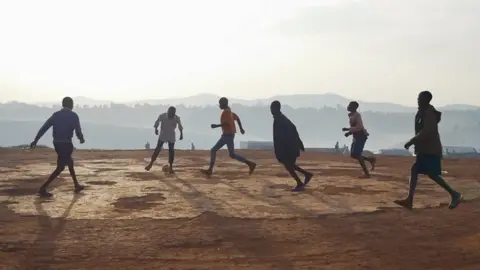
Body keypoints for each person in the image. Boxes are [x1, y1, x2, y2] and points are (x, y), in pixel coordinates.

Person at [394, 91, 462, 210]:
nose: (418, 100)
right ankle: (410, 199)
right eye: (418, 98)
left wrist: (412, 141)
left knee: (430, 173)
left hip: (430, 150)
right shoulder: (422, 112)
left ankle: (455, 194)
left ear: (426, 100)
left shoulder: (428, 113)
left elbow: (427, 131)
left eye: (420, 98)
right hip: (425, 149)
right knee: (419, 171)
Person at [30, 97, 85, 197]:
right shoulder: (73, 116)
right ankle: (43, 188)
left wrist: (36, 140)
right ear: (71, 105)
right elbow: (78, 130)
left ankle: (76, 185)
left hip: (57, 144)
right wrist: (81, 138)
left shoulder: (56, 115)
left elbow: (44, 128)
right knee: (61, 167)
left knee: (70, 162)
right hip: (67, 144)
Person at [200, 97, 256, 176]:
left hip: (227, 135)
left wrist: (216, 126)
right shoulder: (229, 111)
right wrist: (241, 128)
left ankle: (210, 170)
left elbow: (226, 123)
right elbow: (237, 118)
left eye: (220, 104)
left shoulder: (226, 112)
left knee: (213, 150)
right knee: (232, 154)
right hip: (229, 135)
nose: (219, 105)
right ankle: (250, 164)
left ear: (224, 103)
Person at [271, 101, 313, 191]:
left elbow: (284, 135)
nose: (271, 111)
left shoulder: (280, 119)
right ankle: (306, 175)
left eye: (272, 108)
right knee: (289, 165)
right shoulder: (280, 118)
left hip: (289, 148)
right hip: (289, 147)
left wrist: (295, 144)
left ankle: (301, 181)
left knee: (288, 165)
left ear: (276, 109)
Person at [342, 101, 376, 178]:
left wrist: (348, 130)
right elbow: (356, 128)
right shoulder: (352, 115)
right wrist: (349, 132)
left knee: (356, 154)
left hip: (361, 136)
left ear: (354, 107)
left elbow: (359, 127)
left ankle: (367, 174)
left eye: (349, 105)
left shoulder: (357, 116)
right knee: (353, 154)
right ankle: (370, 160)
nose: (348, 107)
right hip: (356, 136)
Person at [145, 106, 183, 173]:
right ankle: (150, 164)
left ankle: (171, 167)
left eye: (173, 113)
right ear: (168, 112)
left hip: (171, 135)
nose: (171, 114)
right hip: (163, 134)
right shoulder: (162, 116)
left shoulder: (176, 118)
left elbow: (180, 126)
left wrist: (181, 134)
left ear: (174, 113)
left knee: (171, 151)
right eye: (170, 113)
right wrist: (156, 129)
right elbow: (157, 122)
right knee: (157, 149)